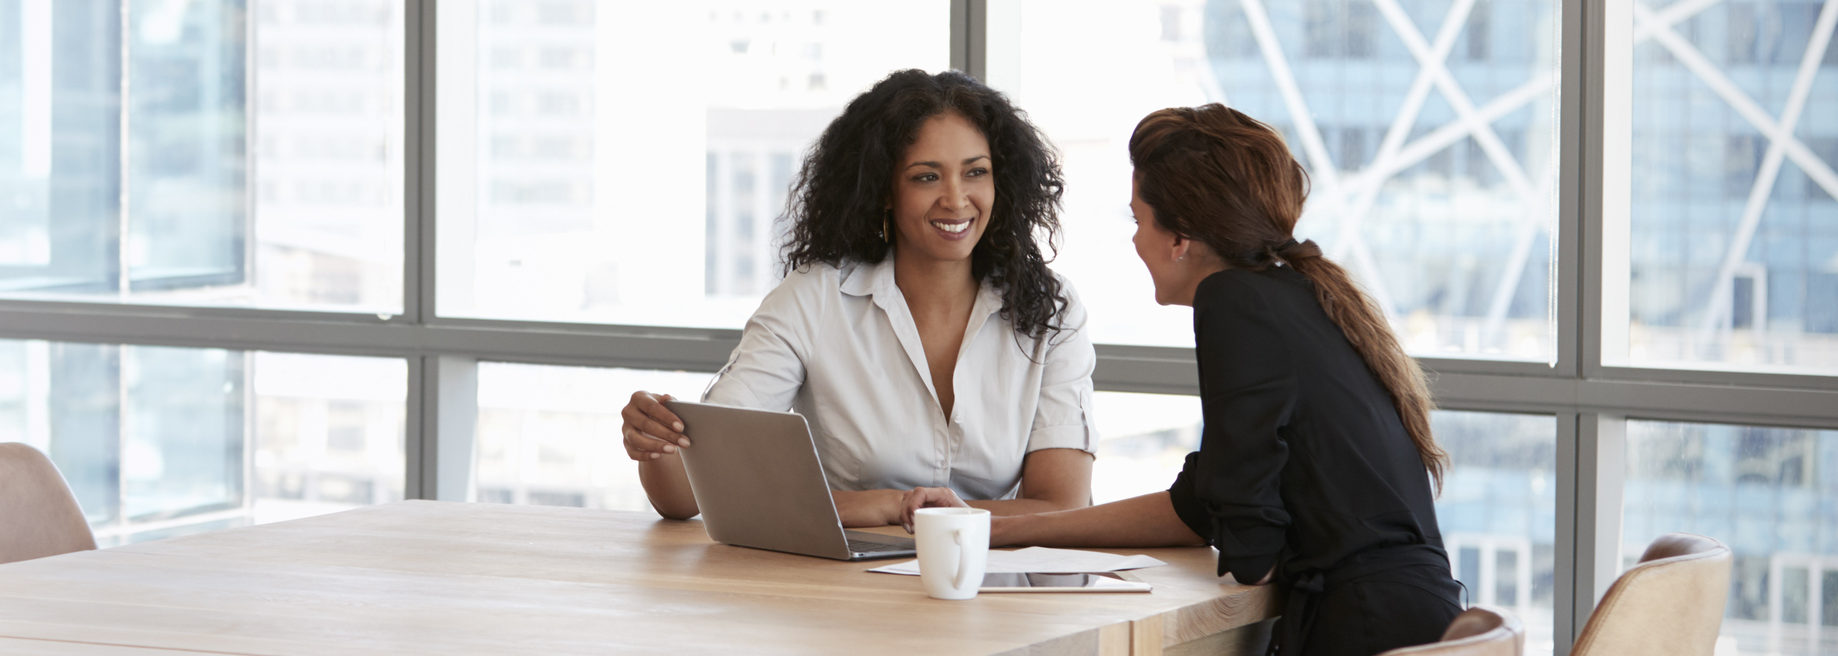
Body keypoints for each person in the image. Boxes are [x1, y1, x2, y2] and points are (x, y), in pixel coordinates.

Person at [985, 104, 1461, 656]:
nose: (1136, 241)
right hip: (1412, 617)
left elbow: (1250, 546)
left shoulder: (1233, 300)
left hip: (1365, 629)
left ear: (1180, 236)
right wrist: (1002, 529)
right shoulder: (1298, 296)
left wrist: (1249, 533)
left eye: (1138, 220)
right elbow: (1198, 506)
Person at [616, 69, 1097, 529]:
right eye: (926, 177)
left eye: (975, 172)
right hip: (839, 592)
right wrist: (655, 439)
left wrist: (934, 517)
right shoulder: (814, 300)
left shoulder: (1050, 311)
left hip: (991, 588)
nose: (955, 198)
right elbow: (686, 494)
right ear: (884, 190)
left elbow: (1061, 505)